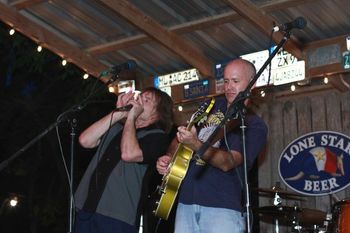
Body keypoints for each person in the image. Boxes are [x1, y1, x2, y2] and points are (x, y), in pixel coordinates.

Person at [157, 58, 268, 233]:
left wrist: (195, 143)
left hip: (221, 207)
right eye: (225, 81)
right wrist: (169, 158)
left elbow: (228, 162)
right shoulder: (211, 105)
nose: (228, 87)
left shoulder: (254, 124)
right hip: (186, 202)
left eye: (235, 81)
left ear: (252, 84)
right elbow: (182, 136)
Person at [74, 87, 174, 233]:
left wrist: (132, 117)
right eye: (140, 96)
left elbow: (129, 154)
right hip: (86, 206)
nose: (139, 100)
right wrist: (119, 112)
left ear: (157, 114)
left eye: (146, 100)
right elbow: (85, 140)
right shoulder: (116, 127)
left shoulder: (157, 136)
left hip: (118, 215)